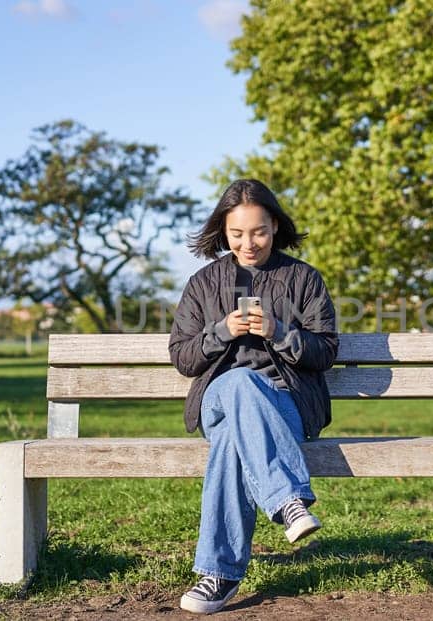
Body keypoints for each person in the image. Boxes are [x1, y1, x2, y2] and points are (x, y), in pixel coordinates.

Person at [167, 178, 340, 614]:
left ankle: (218, 576)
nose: (248, 243)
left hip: (287, 402)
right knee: (239, 382)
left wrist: (280, 333)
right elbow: (184, 357)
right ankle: (287, 500)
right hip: (217, 399)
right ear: (223, 232)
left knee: (231, 441)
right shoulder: (204, 283)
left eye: (259, 231)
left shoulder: (303, 279)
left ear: (275, 226)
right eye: (237, 233)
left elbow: (326, 351)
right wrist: (221, 331)